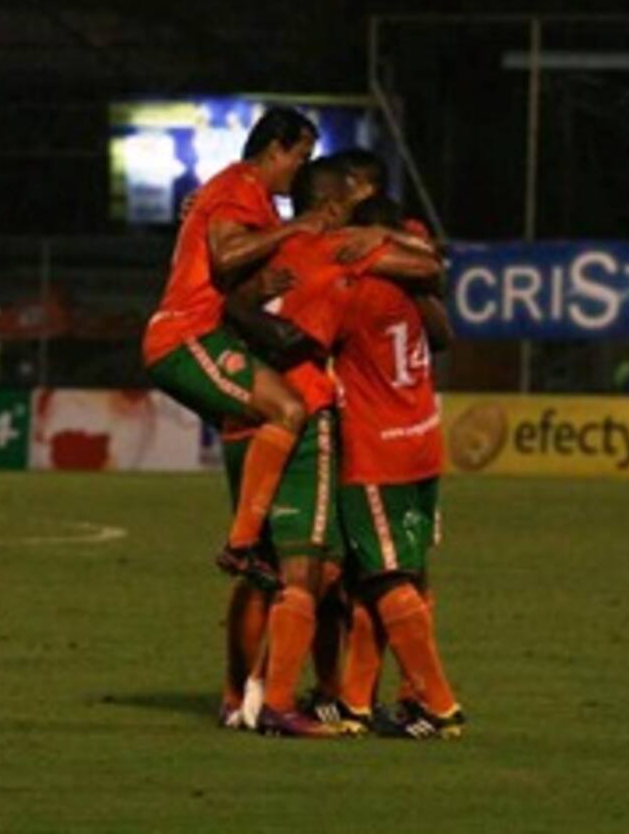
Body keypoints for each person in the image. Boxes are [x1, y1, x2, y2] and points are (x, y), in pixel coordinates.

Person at [218, 159, 442, 736]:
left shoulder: (273, 249)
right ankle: (303, 698)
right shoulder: (340, 249)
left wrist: (245, 309)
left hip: (255, 413)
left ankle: (308, 695)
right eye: (358, 191)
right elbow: (433, 292)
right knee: (328, 570)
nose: (364, 198)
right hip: (325, 422)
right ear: (336, 202)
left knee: (314, 569)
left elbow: (244, 304)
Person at [142, 107, 336, 588]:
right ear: (274, 150)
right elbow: (227, 257)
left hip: (211, 336)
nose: (302, 168)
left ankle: (254, 549)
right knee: (288, 411)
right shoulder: (238, 187)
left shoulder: (252, 200)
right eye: (301, 156)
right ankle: (242, 544)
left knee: (259, 426)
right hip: (186, 335)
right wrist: (295, 227)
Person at [324, 194, 465, 740]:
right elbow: (445, 333)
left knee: (384, 578)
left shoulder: (357, 293)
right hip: (423, 440)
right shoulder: (418, 286)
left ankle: (438, 705)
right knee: (390, 573)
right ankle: (358, 702)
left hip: (375, 448)